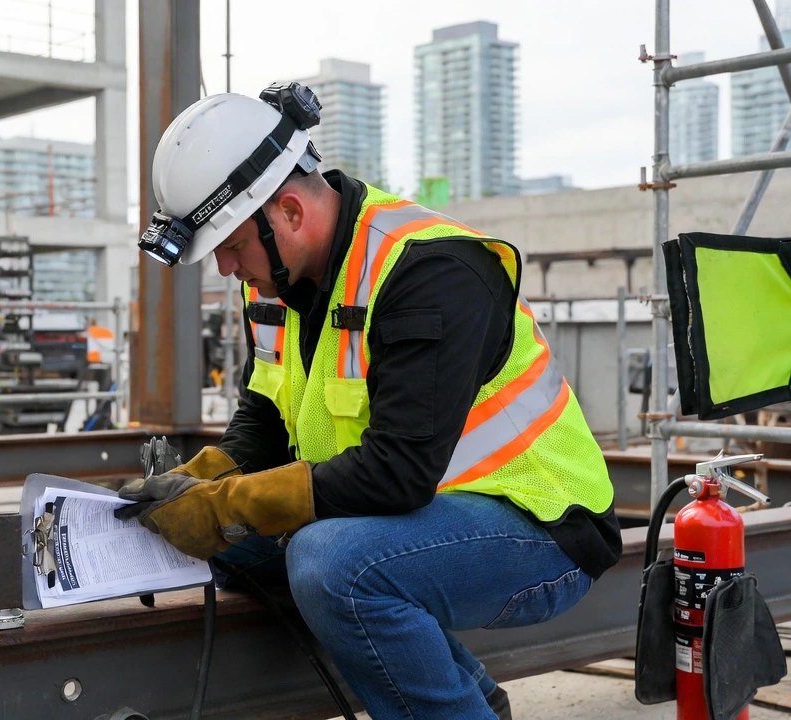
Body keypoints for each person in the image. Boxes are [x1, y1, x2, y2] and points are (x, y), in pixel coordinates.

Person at [116, 82, 622, 720]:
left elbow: (397, 473)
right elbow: (265, 420)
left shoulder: (430, 272)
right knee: (228, 546)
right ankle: (470, 696)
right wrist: (201, 483)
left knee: (333, 565)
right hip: (428, 515)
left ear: (290, 215)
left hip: (541, 526)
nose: (224, 266)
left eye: (231, 244)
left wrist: (229, 505)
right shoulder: (274, 281)